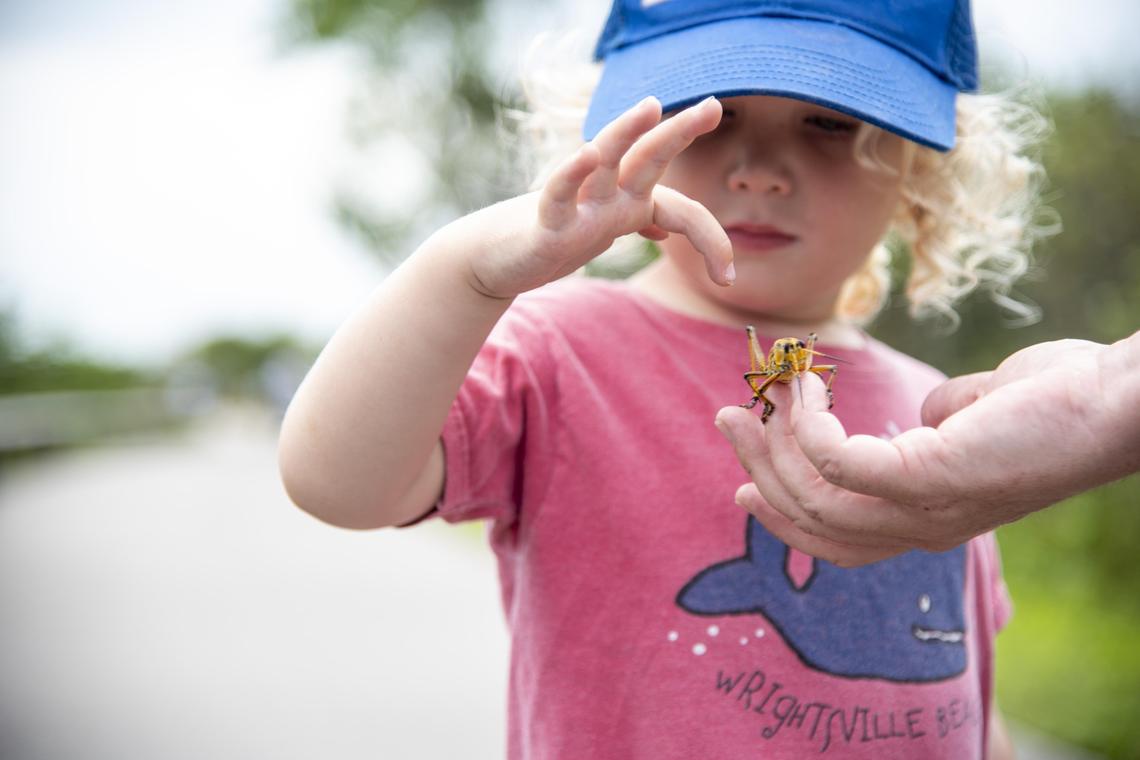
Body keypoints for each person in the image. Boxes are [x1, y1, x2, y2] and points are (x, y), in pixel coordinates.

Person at [277, 0, 1045, 757]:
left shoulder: (941, 405)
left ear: (920, 171)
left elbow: (968, 690)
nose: (761, 173)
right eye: (714, 115)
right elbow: (337, 482)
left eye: (829, 122)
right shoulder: (556, 351)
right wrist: (468, 274)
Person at [715, 329, 1140, 568]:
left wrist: (1106, 391)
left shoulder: (922, 382)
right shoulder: (773, 363)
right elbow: (762, 378)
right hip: (767, 380)